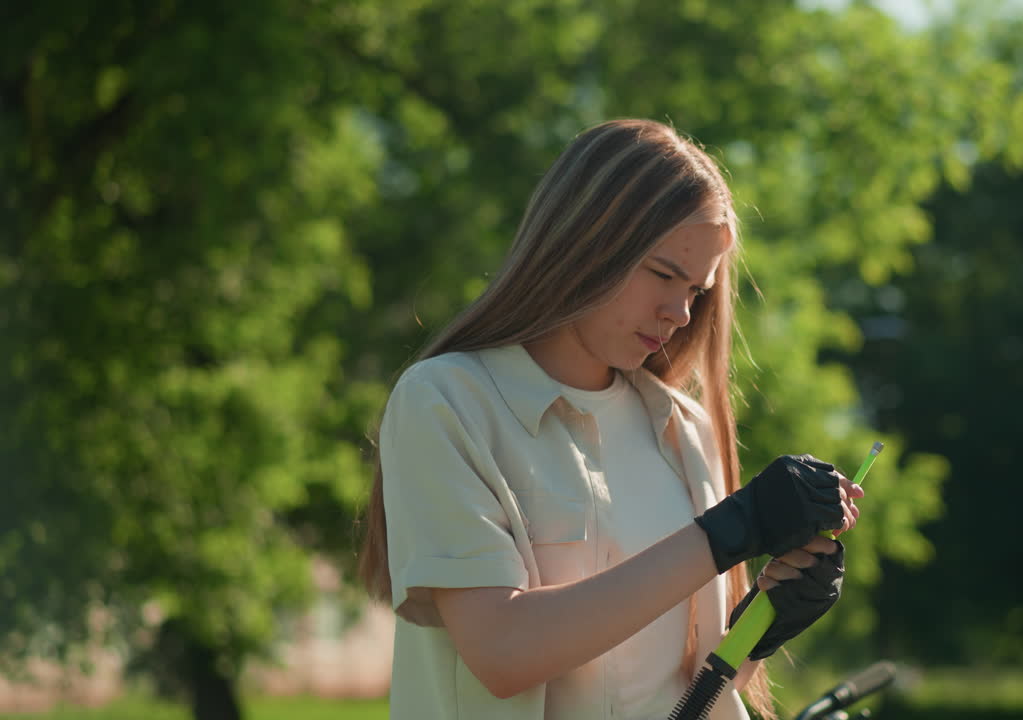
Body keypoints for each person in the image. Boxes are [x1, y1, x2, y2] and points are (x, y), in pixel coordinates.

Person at [358, 118, 864, 720]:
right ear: (587, 240)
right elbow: (501, 651)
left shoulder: (687, 429)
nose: (679, 312)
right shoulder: (446, 402)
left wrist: (762, 623)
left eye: (696, 291)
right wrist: (729, 531)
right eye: (663, 274)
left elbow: (691, 693)